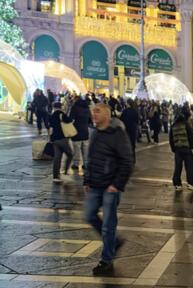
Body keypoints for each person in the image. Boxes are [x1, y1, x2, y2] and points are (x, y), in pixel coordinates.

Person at [83, 101, 133, 276]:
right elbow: (90, 158)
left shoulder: (117, 134)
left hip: (111, 187)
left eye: (97, 111)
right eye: (93, 111)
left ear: (107, 114)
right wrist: (86, 180)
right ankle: (114, 243)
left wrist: (116, 185)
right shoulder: (96, 133)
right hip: (95, 184)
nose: (93, 114)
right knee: (88, 215)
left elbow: (127, 161)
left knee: (108, 226)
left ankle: (106, 260)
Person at [169, 108, 193, 192]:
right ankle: (191, 183)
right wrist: (192, 146)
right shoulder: (186, 124)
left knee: (178, 166)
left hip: (177, 149)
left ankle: (177, 184)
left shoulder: (173, 125)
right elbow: (190, 136)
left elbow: (171, 139)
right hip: (186, 148)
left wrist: (173, 149)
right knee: (190, 166)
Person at [48, 101, 74, 182]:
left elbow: (50, 127)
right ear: (61, 107)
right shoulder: (61, 114)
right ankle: (65, 172)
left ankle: (56, 177)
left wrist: (50, 138)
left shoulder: (51, 115)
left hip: (55, 139)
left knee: (57, 158)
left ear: (54, 107)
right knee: (70, 154)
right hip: (62, 138)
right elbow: (70, 120)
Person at [70, 94, 92, 175]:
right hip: (85, 131)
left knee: (77, 149)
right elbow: (90, 120)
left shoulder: (74, 108)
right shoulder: (87, 108)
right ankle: (85, 164)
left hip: (76, 131)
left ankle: (76, 164)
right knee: (85, 149)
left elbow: (71, 119)